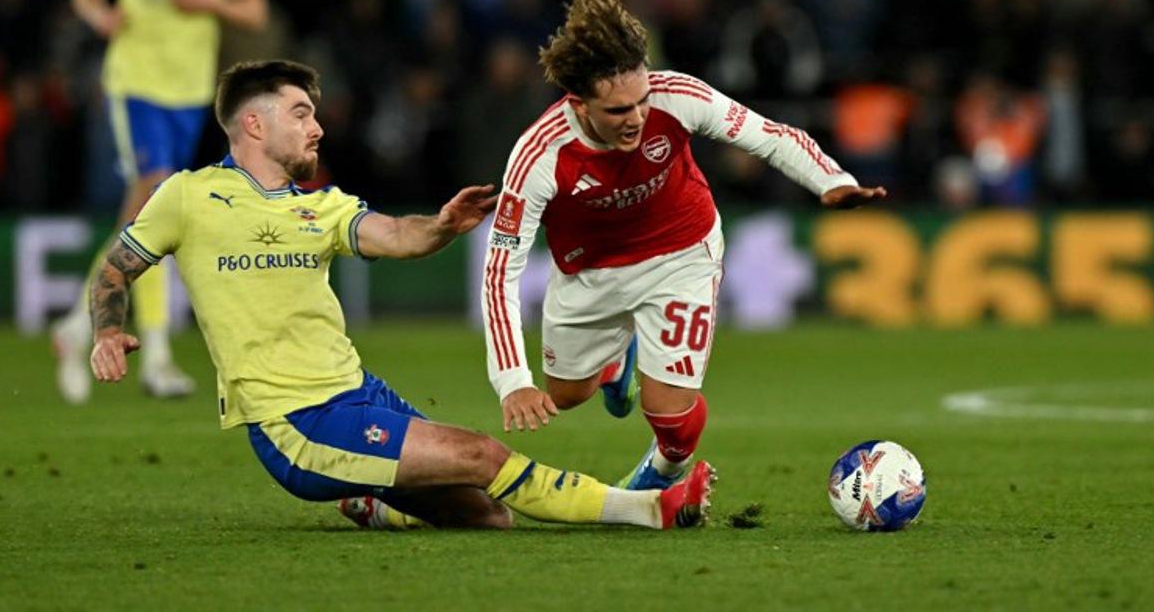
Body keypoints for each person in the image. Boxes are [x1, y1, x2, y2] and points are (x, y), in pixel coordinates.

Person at [87, 59, 714, 531]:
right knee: (481, 453)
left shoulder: (320, 208)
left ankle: (370, 502)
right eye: (301, 112)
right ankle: (648, 507)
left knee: (488, 515)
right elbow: (114, 271)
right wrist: (107, 331)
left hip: (359, 392)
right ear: (254, 122)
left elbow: (394, 236)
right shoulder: (188, 197)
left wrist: (440, 226)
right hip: (296, 422)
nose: (318, 127)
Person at [482, 0, 885, 490]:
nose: (636, 118)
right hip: (589, 273)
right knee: (564, 394)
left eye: (641, 101)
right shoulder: (539, 155)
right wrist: (513, 381)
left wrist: (831, 180)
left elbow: (770, 135)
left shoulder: (678, 96)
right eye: (617, 111)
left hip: (681, 255)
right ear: (580, 105)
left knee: (669, 416)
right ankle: (617, 364)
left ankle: (662, 473)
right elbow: (500, 273)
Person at [54, 0, 268, 402]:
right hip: (135, 84)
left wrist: (210, 3)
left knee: (152, 212)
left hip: (191, 90)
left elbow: (254, 10)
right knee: (154, 195)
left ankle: (80, 325)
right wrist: (100, 14)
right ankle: (154, 356)